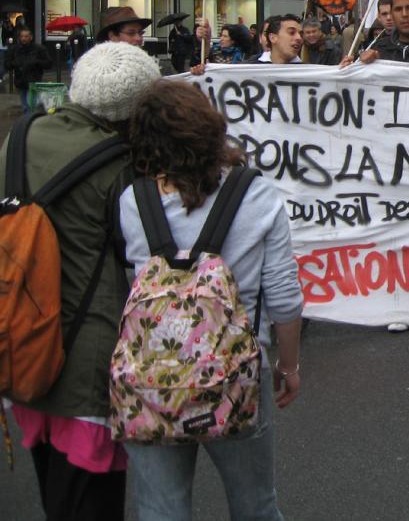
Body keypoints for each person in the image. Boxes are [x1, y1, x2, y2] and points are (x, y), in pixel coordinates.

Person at [118, 81, 304, 520]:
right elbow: (283, 296)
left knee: (160, 509)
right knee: (255, 505)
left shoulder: (133, 202)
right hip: (235, 372)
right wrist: (288, 365)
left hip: (152, 376)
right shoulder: (256, 195)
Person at [2, 43, 162, 521]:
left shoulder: (20, 136)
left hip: (22, 337)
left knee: (54, 487)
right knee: (90, 501)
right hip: (87, 350)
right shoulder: (121, 166)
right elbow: (140, 251)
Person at [10, 27, 52, 113]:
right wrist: (15, 64)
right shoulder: (15, 49)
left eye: (26, 36)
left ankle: (32, 118)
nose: (23, 38)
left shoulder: (39, 49)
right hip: (21, 81)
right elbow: (8, 63)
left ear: (31, 37)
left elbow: (48, 63)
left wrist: (36, 62)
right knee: (25, 106)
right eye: (22, 36)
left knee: (31, 106)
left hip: (33, 81)